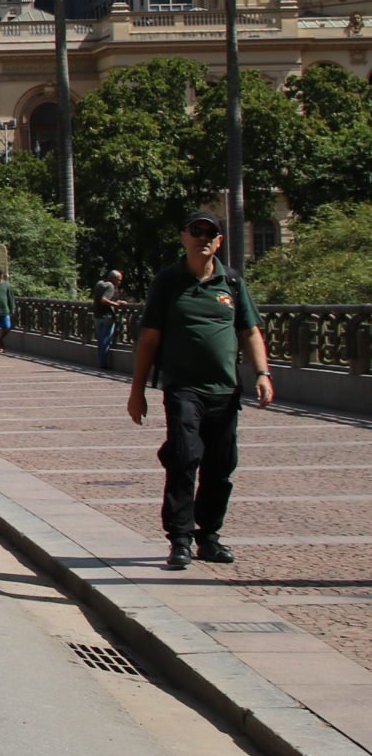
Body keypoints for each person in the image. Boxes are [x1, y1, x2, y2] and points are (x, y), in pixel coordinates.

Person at [129, 212, 273, 570]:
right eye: (196, 231)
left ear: (219, 242)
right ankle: (180, 539)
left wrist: (262, 373)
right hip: (182, 388)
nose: (203, 238)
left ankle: (209, 536)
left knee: (220, 465)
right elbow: (149, 338)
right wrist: (137, 391)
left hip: (224, 391)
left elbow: (250, 331)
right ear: (184, 237)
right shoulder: (168, 282)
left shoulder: (233, 283)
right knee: (183, 457)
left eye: (210, 233)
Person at [93, 269, 129, 371]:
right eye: (118, 280)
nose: (119, 282)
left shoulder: (99, 283)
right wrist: (116, 304)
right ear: (113, 278)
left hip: (97, 316)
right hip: (107, 317)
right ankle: (103, 364)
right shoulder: (110, 286)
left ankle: (100, 362)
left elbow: (101, 298)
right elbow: (104, 300)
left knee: (100, 340)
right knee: (105, 341)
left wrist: (115, 301)